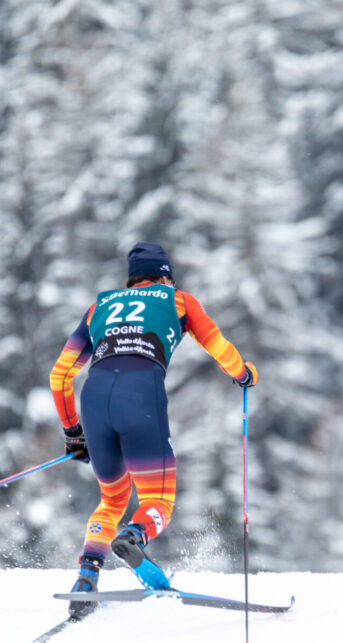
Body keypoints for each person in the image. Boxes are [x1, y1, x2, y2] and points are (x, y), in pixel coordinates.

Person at [49, 242, 258, 619]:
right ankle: (134, 537)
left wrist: (73, 433)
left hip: (94, 399)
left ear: (131, 280)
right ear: (164, 276)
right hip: (141, 395)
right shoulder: (178, 300)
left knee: (112, 498)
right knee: (157, 502)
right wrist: (243, 373)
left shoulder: (101, 305)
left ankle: (85, 578)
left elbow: (60, 374)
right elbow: (221, 349)